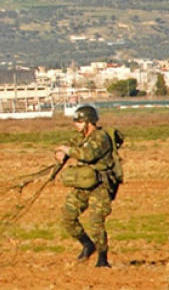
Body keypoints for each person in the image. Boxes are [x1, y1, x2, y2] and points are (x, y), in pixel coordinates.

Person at [55, 105, 119, 268]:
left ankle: (103, 258)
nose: (76, 125)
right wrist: (60, 153)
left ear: (88, 122)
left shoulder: (100, 137)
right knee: (67, 217)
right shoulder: (83, 137)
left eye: (79, 122)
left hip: (101, 186)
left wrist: (67, 150)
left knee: (96, 221)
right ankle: (87, 244)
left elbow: (87, 155)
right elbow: (69, 145)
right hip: (84, 183)